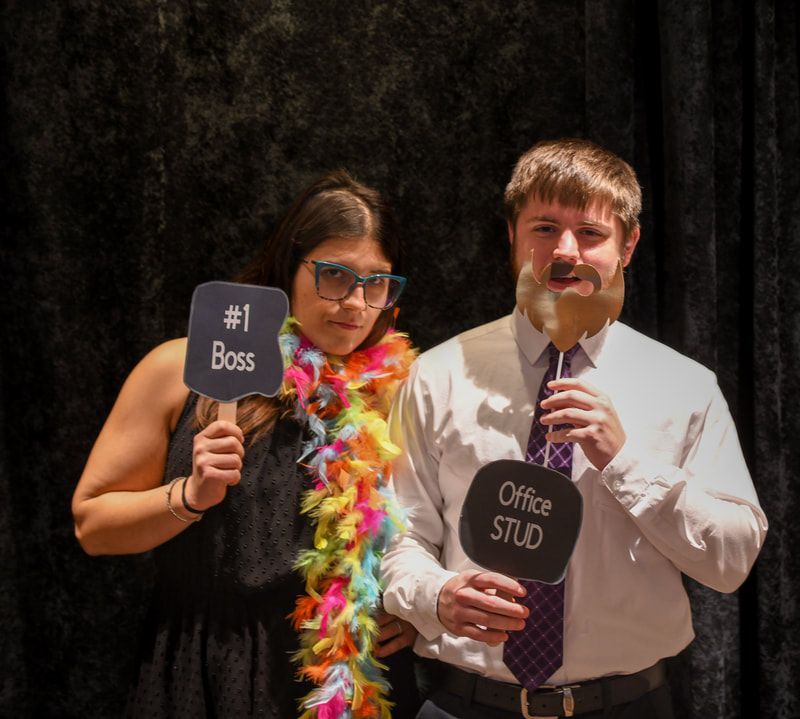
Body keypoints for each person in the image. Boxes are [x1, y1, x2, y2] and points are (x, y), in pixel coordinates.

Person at [380, 139, 768, 719]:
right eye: (543, 228)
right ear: (512, 236)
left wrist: (625, 462)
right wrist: (434, 596)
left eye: (590, 233)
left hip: (630, 704)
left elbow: (733, 559)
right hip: (465, 702)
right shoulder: (437, 375)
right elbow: (399, 532)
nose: (565, 252)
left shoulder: (686, 388)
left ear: (628, 245)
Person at [72, 170, 421, 718]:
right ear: (288, 265)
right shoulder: (182, 370)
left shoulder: (399, 392)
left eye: (376, 282)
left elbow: (428, 534)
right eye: (334, 275)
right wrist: (189, 496)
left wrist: (412, 606)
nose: (356, 302)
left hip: (342, 676)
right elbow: (92, 527)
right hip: (211, 666)